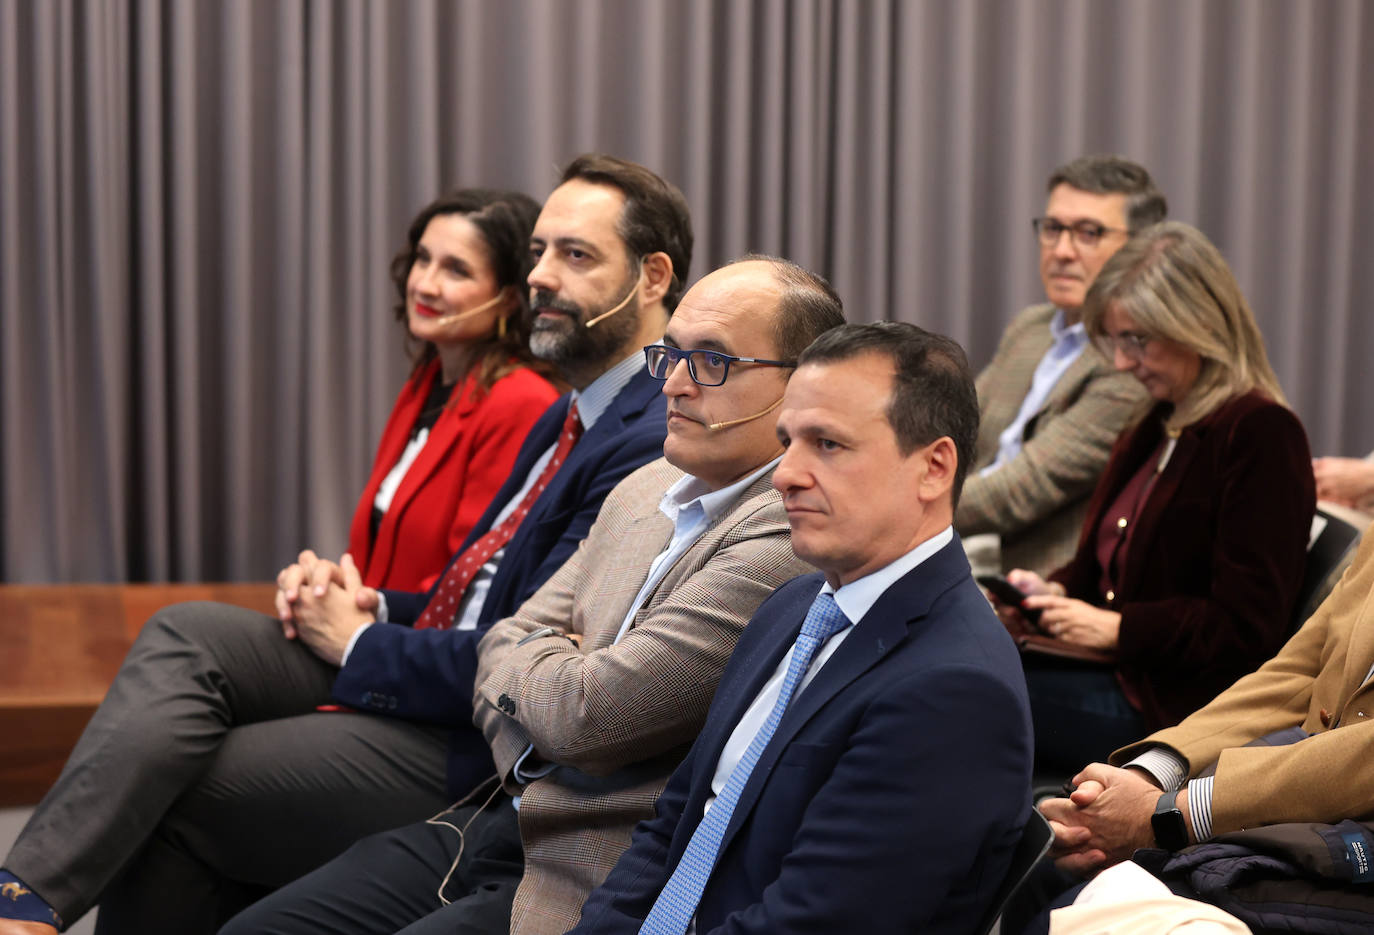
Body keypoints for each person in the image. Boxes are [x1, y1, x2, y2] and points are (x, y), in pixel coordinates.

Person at [0, 153, 693, 935]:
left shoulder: (647, 439)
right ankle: (19, 902)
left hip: (470, 744)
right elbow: (479, 589)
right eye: (537, 252)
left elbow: (528, 656)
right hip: (428, 652)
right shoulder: (565, 414)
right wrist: (367, 601)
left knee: (176, 782)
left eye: (575, 254)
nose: (541, 275)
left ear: (654, 276)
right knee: (187, 631)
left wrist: (363, 640)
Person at [218, 256, 847, 935]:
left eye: (712, 361)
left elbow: (589, 714)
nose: (672, 383)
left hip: (593, 863)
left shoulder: (785, 530)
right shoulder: (645, 487)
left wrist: (545, 666)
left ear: (803, 383)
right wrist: (553, 664)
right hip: (502, 813)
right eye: (670, 355)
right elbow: (503, 639)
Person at [566, 322, 1033, 935]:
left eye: (828, 445)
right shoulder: (794, 606)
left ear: (933, 468)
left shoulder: (954, 691)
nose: (785, 474)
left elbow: (811, 923)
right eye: (789, 441)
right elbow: (674, 827)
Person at [997, 221, 1315, 773]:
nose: (1122, 362)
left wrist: (1121, 628)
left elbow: (1247, 630)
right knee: (952, 671)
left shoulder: (1261, 432)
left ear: (1199, 327)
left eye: (1137, 340)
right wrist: (1054, 590)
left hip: (1171, 709)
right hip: (1113, 674)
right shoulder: (1158, 420)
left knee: (954, 690)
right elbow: (1115, 564)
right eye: (1115, 341)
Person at [1020, 528, 1374, 933]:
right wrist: (1151, 772)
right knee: (1046, 863)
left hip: (1346, 848)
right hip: (1294, 808)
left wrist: (1170, 814)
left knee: (1069, 913)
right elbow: (1299, 671)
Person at [958, 155, 1161, 577]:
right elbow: (955, 431)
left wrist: (891, 508)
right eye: (1053, 229)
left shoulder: (1132, 359)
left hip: (1032, 582)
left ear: (1142, 249)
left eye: (1089, 233)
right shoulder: (1031, 328)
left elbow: (1021, 490)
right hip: (954, 543)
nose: (1063, 251)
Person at [349, 188, 561, 591]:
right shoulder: (427, 380)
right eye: (423, 259)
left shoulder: (521, 401)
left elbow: (467, 583)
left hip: (409, 646)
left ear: (510, 300)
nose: (425, 285)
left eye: (456, 270)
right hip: (363, 629)